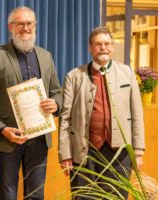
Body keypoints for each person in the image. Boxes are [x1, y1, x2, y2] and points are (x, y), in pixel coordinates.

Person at [0, 6, 62, 200]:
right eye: (20, 24)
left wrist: (55, 104)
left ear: (35, 26)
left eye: (29, 23)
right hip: (9, 138)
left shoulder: (45, 56)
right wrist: (2, 129)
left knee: (36, 194)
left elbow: (57, 92)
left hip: (40, 137)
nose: (25, 28)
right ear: (10, 26)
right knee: (8, 194)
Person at [58, 26, 145, 199]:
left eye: (107, 44)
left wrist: (139, 150)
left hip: (119, 153)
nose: (103, 47)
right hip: (84, 152)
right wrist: (65, 154)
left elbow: (137, 114)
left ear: (112, 47)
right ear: (90, 48)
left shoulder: (127, 73)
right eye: (98, 44)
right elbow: (65, 119)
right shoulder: (74, 76)